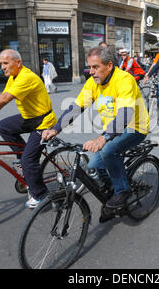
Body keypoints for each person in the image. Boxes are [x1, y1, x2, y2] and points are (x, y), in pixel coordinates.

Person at [42, 46, 149, 210]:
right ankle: (115, 184)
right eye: (89, 67)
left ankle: (122, 191)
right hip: (111, 130)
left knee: (108, 151)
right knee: (93, 166)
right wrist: (55, 129)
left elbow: (125, 114)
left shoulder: (124, 80)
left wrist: (103, 138)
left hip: (134, 126)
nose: (91, 71)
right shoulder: (92, 83)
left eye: (95, 67)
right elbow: (76, 107)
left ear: (109, 65)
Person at [0, 49, 57, 209]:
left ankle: (41, 195)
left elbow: (3, 99)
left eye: (6, 63)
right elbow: (2, 101)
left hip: (44, 121)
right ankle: (23, 160)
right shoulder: (13, 77)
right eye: (1, 63)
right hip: (30, 118)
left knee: (29, 160)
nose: (2, 67)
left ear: (18, 63)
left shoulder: (26, 77)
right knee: (3, 126)